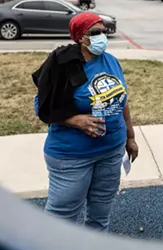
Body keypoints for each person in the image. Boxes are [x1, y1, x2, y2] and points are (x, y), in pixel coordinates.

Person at [32, 12, 139, 231]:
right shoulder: (63, 65)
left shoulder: (111, 61)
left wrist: (130, 137)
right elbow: (41, 106)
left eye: (104, 31)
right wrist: (74, 120)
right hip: (72, 156)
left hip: (111, 151)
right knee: (62, 219)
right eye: (95, 32)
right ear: (81, 37)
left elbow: (123, 100)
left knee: (100, 215)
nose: (102, 36)